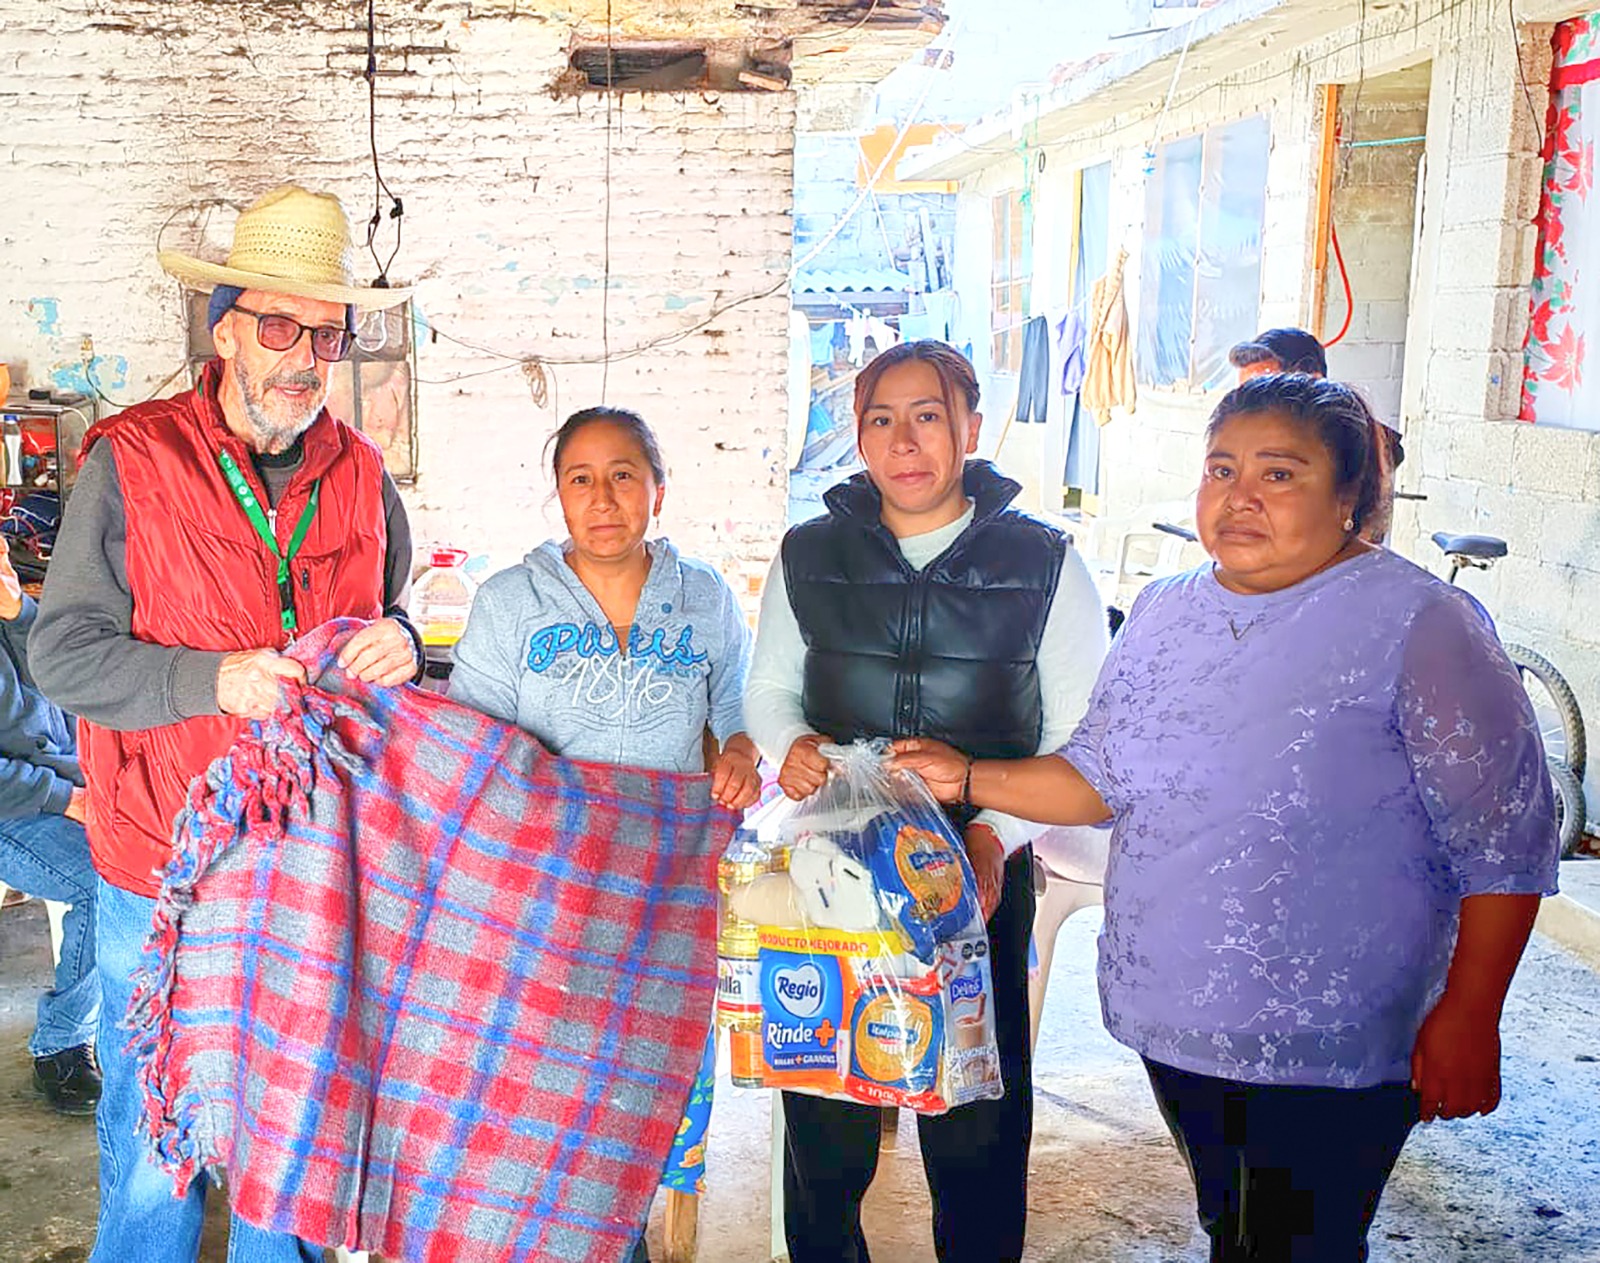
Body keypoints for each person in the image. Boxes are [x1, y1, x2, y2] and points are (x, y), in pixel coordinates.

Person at [895, 373, 1561, 1262]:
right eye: (1221, 468)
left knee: (1300, 1241)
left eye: (1279, 474)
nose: (1240, 496)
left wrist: (1473, 1013)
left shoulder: (1423, 622)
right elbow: (1098, 778)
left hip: (1335, 1039)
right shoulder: (1168, 612)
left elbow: (1505, 842)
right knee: (1232, 1227)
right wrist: (967, 775)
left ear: (1352, 495)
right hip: (1174, 1022)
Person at [33, 184, 422, 1263]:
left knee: (286, 1135)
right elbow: (62, 655)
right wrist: (212, 682)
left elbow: (386, 625)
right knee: (158, 1135)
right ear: (228, 328)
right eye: (282, 325)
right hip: (158, 866)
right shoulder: (132, 460)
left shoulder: (361, 472)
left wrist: (395, 640)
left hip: (306, 867)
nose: (306, 355)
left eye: (327, 332)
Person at [744, 339, 1109, 1263]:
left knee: (975, 1131)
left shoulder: (1048, 566)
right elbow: (772, 689)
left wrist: (994, 835)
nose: (905, 442)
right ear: (858, 439)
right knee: (824, 1135)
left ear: (971, 429)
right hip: (827, 883)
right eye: (881, 420)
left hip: (980, 882)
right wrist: (791, 746)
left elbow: (1083, 742)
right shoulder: (808, 553)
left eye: (928, 416)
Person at [447, 405, 762, 1263]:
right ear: (558, 495)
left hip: (665, 893)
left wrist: (738, 747)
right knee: (548, 1099)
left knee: (639, 1094)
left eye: (624, 474)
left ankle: (618, 1238)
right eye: (580, 478)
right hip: (549, 893)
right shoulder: (512, 602)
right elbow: (472, 742)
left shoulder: (706, 598)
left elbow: (740, 709)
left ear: (658, 489)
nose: (603, 496)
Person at [0, 538, 100, 1116]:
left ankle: (140, 1014)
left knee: (160, 856)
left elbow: (65, 675)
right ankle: (61, 1043)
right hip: (16, 805)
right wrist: (63, 797)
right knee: (101, 881)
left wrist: (16, 613)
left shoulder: (18, 618)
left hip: (62, 785)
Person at [1229, 325, 1406, 471]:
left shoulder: (1352, 449)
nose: (1250, 407)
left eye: (1265, 393)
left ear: (1313, 379)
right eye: (1245, 394)